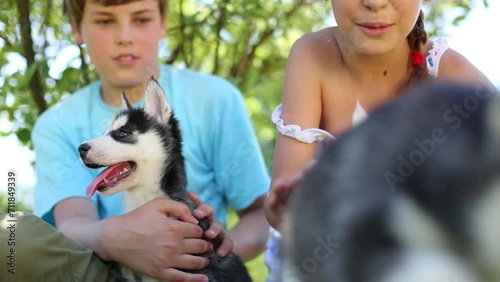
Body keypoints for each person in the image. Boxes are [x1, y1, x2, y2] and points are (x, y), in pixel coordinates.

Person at [2, 0, 270, 281]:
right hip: (107, 268)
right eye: (105, 21)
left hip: (201, 272)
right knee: (11, 236)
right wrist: (114, 239)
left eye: (141, 19)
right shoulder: (57, 123)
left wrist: (202, 250)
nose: (124, 37)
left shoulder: (216, 99)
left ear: (164, 22)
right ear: (76, 29)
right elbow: (72, 225)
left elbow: (258, 215)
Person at [263, 0, 496, 281]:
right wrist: (291, 204)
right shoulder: (313, 55)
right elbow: (284, 210)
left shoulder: (455, 80)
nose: (374, 3)